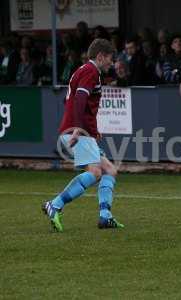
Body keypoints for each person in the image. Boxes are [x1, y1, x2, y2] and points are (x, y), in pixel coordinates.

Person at [42, 39, 124, 232]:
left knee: (109, 170)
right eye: (110, 59)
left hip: (81, 131)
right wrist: (79, 128)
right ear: (100, 56)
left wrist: (92, 129)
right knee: (96, 172)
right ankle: (55, 205)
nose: (111, 63)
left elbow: (72, 101)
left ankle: (105, 217)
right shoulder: (91, 71)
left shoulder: (84, 70)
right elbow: (79, 99)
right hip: (77, 132)